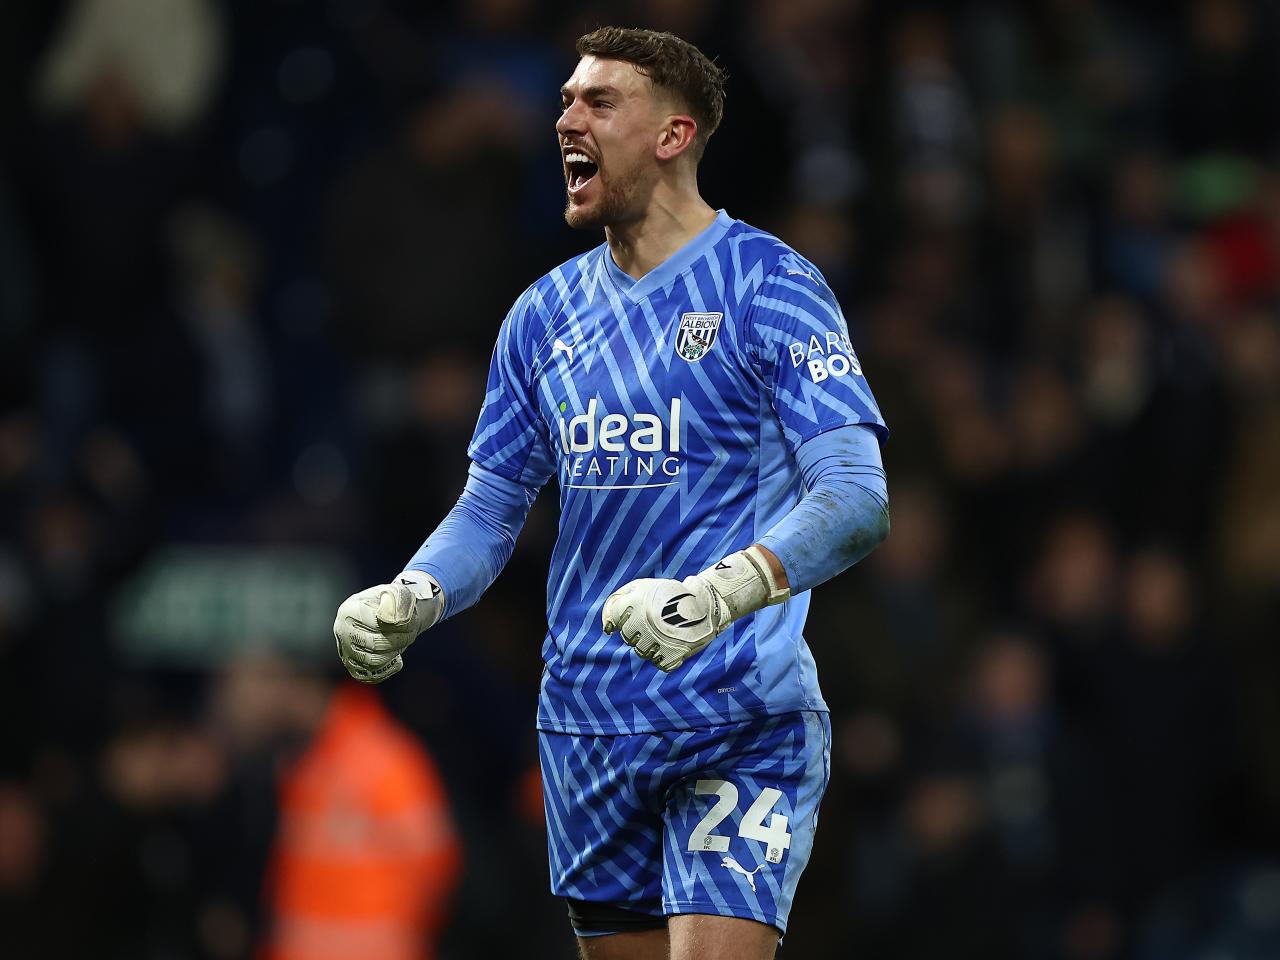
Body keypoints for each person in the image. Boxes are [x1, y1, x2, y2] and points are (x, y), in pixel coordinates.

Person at [334, 27, 889, 960]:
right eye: (563, 101)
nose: (565, 121)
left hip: (736, 716)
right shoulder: (543, 316)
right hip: (589, 725)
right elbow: (489, 508)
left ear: (672, 136)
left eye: (597, 103)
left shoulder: (771, 285)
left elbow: (857, 495)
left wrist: (720, 594)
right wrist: (416, 592)